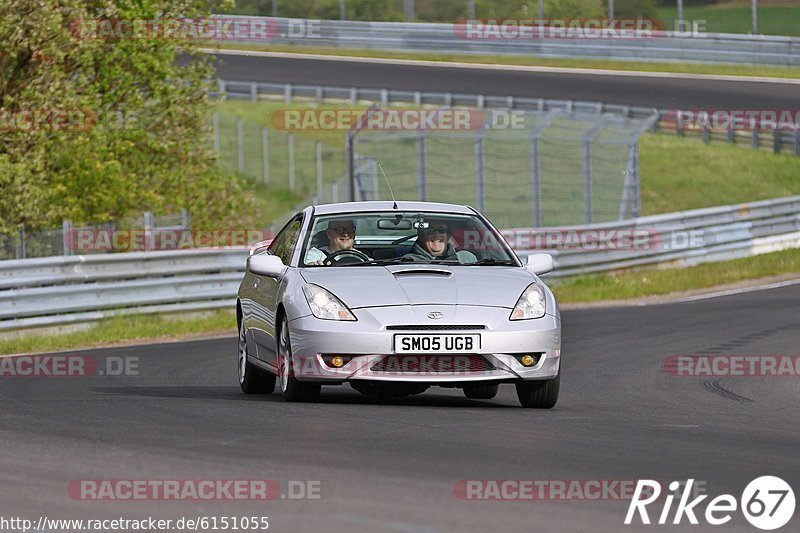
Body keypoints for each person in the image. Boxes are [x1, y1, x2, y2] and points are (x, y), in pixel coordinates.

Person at [402, 219, 476, 263]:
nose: (436, 234)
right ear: (421, 235)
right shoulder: (409, 261)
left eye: (442, 230)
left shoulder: (466, 258)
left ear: (448, 235)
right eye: (430, 230)